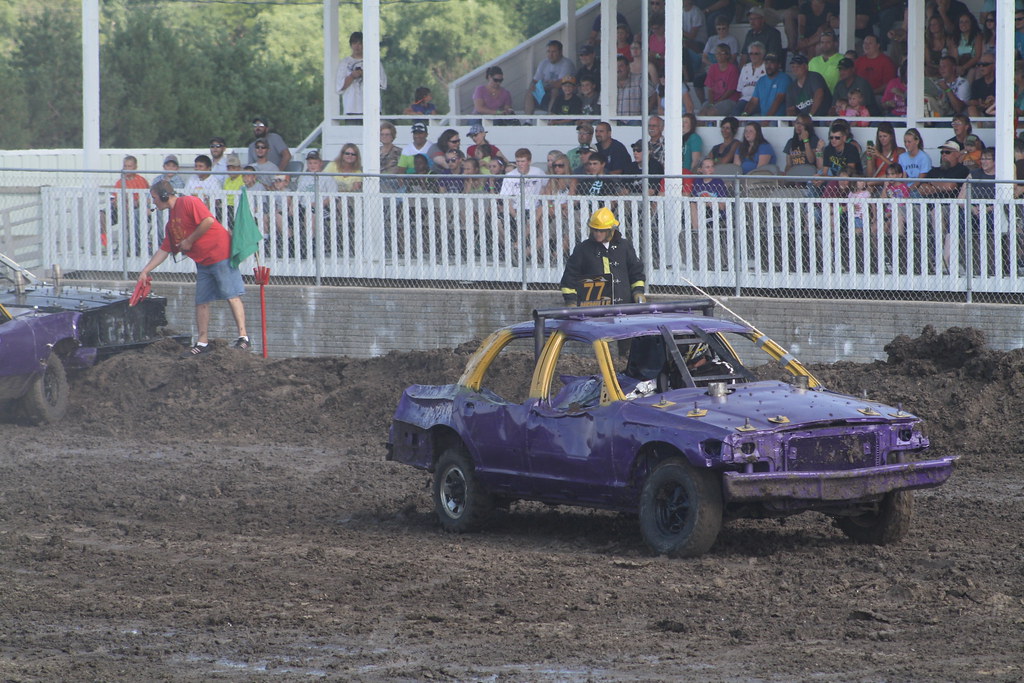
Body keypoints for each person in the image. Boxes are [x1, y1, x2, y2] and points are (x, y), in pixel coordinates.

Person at [138, 181, 251, 357]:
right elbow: (165, 249)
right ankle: (202, 342)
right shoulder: (171, 223)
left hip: (220, 253)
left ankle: (244, 338)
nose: (153, 202)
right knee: (201, 301)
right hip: (203, 262)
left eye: (154, 198)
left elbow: (207, 221)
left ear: (164, 196)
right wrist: (146, 270)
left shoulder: (189, 202)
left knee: (231, 295)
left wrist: (189, 240)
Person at [560, 207, 645, 306]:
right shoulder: (582, 250)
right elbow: (569, 279)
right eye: (595, 230)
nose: (597, 234)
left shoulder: (624, 247)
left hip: (624, 307)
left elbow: (636, 272)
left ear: (611, 230)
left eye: (602, 231)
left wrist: (638, 292)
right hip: (593, 310)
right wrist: (571, 302)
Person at [335, 31, 388, 122]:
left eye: (360, 43)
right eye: (354, 43)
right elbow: (339, 87)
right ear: (351, 45)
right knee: (352, 135)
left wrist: (365, 74)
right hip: (351, 109)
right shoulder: (344, 63)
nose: (357, 46)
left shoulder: (374, 61)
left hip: (371, 109)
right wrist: (352, 76)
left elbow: (382, 84)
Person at [525, 40, 574, 115]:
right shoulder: (543, 63)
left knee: (555, 90)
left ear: (560, 52)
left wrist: (543, 86)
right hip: (545, 92)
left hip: (562, 94)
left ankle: (549, 118)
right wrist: (533, 86)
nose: (550, 55)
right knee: (530, 91)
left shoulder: (566, 64)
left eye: (554, 52)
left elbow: (560, 84)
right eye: (548, 51)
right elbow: (535, 81)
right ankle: (528, 121)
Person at [743, 52, 791, 116]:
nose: (768, 66)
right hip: (764, 118)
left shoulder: (784, 78)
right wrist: (744, 115)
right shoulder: (761, 80)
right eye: (766, 63)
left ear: (779, 64)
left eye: (772, 63)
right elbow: (753, 101)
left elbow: (778, 100)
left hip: (778, 120)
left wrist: (767, 120)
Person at [700, 43, 740, 115]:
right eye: (717, 53)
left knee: (712, 112)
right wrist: (712, 103)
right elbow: (710, 89)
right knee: (702, 112)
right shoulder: (712, 68)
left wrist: (718, 102)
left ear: (727, 55)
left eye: (722, 53)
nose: (718, 55)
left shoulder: (733, 69)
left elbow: (731, 90)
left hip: (729, 99)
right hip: (714, 100)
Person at [379, 121, 402, 191]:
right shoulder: (375, 151)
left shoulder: (399, 151)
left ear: (392, 136)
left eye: (387, 134)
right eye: (382, 134)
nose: (384, 136)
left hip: (392, 182)